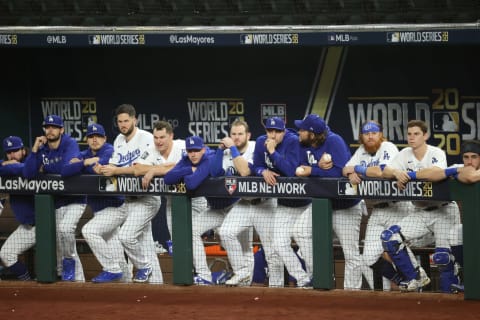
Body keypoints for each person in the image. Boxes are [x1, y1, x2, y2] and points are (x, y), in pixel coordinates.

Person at [382, 119, 460, 292]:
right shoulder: (404, 154)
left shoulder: (435, 152)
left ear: (425, 135)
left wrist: (408, 174)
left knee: (443, 258)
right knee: (390, 237)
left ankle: (450, 299)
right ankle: (416, 277)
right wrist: (396, 172)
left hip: (444, 210)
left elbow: (436, 173)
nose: (412, 137)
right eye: (409, 134)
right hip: (421, 212)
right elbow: (385, 170)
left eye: (416, 134)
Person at [294, 114, 365, 290]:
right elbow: (301, 168)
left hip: (345, 206)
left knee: (350, 254)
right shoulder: (305, 144)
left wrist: (313, 170)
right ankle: (317, 276)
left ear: (312, 133)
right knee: (300, 231)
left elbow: (341, 173)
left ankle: (352, 292)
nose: (299, 132)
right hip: (321, 204)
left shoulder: (334, 141)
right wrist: (316, 168)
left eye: (302, 130)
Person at [342, 120, 415, 290]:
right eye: (366, 133)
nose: (370, 136)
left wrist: (357, 169)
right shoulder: (361, 151)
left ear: (380, 134)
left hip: (398, 206)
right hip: (378, 208)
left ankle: (416, 278)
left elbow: (382, 171)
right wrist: (351, 171)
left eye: (374, 133)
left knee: (397, 247)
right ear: (362, 136)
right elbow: (344, 169)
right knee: (368, 258)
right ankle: (401, 281)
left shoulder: (387, 147)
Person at [405, 139, 480, 293]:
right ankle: (470, 280)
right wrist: (453, 172)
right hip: (474, 224)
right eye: (466, 157)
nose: (470, 161)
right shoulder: (459, 168)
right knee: (455, 234)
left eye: (474, 157)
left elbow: (471, 177)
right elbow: (434, 174)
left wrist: (466, 174)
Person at [98, 104, 162, 284]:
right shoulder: (118, 139)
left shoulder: (146, 138)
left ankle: (144, 267)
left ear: (135, 120)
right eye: (120, 122)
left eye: (127, 121)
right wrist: (104, 168)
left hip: (147, 198)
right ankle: (157, 285)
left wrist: (116, 171)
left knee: (125, 236)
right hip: (130, 199)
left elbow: (141, 168)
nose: (123, 125)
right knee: (146, 246)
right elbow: (115, 165)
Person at [62, 123, 131, 283]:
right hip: (100, 212)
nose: (95, 139)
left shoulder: (109, 149)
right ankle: (129, 286)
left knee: (89, 230)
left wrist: (82, 165)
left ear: (104, 138)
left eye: (98, 136)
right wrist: (86, 162)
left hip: (116, 208)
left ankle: (111, 269)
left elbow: (103, 165)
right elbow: (66, 171)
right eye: (91, 137)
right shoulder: (84, 154)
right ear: (87, 140)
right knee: (117, 255)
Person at [23, 115, 87, 282]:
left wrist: (47, 168)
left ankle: (68, 261)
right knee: (60, 239)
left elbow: (67, 171)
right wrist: (35, 149)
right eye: (47, 127)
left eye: (54, 127)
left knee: (65, 230)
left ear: (61, 129)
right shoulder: (42, 148)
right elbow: (29, 174)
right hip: (57, 201)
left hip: (75, 198)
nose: (50, 130)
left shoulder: (69, 143)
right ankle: (77, 280)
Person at [252, 116, 311, 288]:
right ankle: (302, 278)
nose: (273, 135)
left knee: (306, 243)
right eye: (270, 131)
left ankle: (316, 277)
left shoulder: (293, 141)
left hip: (305, 204)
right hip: (285, 204)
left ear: (283, 131)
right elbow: (255, 165)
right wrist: (262, 170)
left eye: (277, 131)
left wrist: (272, 152)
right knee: (278, 244)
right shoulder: (260, 142)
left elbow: (291, 171)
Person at [210, 119, 260, 286]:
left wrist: (231, 147)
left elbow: (245, 171)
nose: (236, 138)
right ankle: (242, 276)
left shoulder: (255, 148)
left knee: (272, 249)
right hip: (244, 203)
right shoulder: (227, 152)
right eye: (233, 134)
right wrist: (219, 150)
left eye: (240, 134)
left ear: (248, 135)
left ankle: (277, 288)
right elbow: (216, 173)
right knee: (226, 233)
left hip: (265, 204)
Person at [164, 136, 217, 285]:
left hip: (233, 206)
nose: (193, 154)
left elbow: (192, 184)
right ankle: (204, 275)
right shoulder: (187, 160)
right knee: (191, 231)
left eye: (196, 150)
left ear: (203, 149)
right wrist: (189, 170)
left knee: (239, 243)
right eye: (190, 151)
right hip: (215, 209)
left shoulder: (209, 158)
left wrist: (185, 175)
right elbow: (167, 179)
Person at [132, 120, 185, 251]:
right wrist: (159, 168)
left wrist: (154, 170)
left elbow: (181, 166)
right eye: (156, 137)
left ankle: (201, 271)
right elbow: (138, 168)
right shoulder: (151, 150)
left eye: (162, 137)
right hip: (171, 202)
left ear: (171, 136)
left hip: (193, 200)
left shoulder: (182, 146)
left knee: (191, 237)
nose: (158, 141)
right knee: (177, 242)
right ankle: (189, 271)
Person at [0, 136, 35, 280]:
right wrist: (4, 165)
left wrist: (7, 166)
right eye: (9, 152)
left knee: (63, 262)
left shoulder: (32, 160)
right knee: (6, 254)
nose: (12, 155)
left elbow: (28, 169)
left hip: (50, 224)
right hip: (28, 227)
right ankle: (28, 285)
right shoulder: (6, 166)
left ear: (23, 150)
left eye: (15, 150)